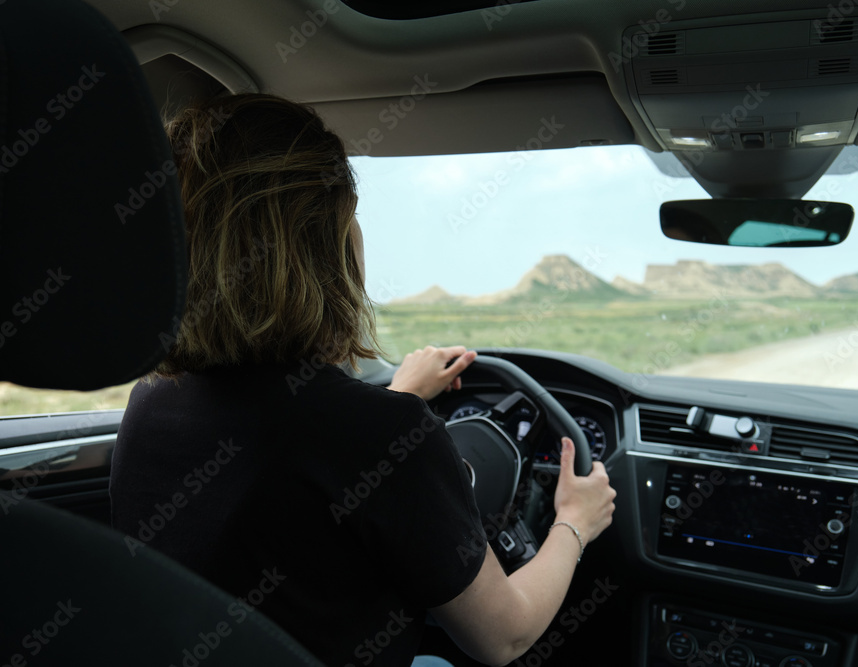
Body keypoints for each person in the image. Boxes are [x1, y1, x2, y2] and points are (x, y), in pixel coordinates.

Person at [109, 93, 616, 666]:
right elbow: (506, 636)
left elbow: (297, 473)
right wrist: (575, 521)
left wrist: (398, 401)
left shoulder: (149, 403)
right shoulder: (380, 434)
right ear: (328, 250)